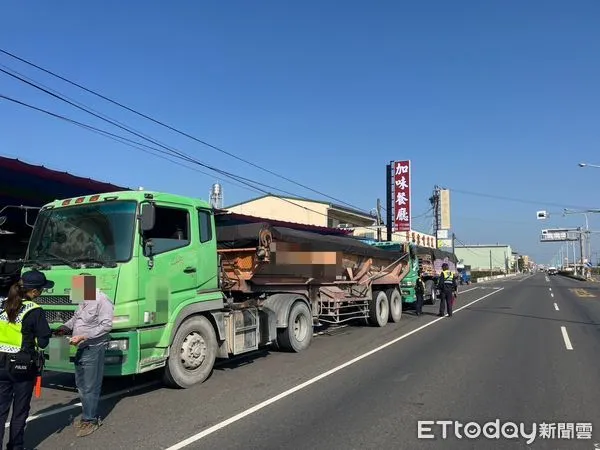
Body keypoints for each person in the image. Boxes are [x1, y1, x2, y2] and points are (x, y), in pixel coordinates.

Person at [0, 270, 52, 450]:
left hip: (0, 364)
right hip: (22, 366)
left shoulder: (3, 305)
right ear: (34, 292)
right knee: (19, 412)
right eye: (42, 289)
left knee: (0, 411)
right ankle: (16, 446)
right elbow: (43, 341)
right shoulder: (35, 310)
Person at [55, 289, 113, 437]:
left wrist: (83, 336)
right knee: (81, 385)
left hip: (93, 348)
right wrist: (65, 327)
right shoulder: (84, 300)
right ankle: (86, 416)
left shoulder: (102, 300)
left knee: (90, 385)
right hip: (81, 347)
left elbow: (106, 326)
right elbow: (76, 318)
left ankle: (91, 420)